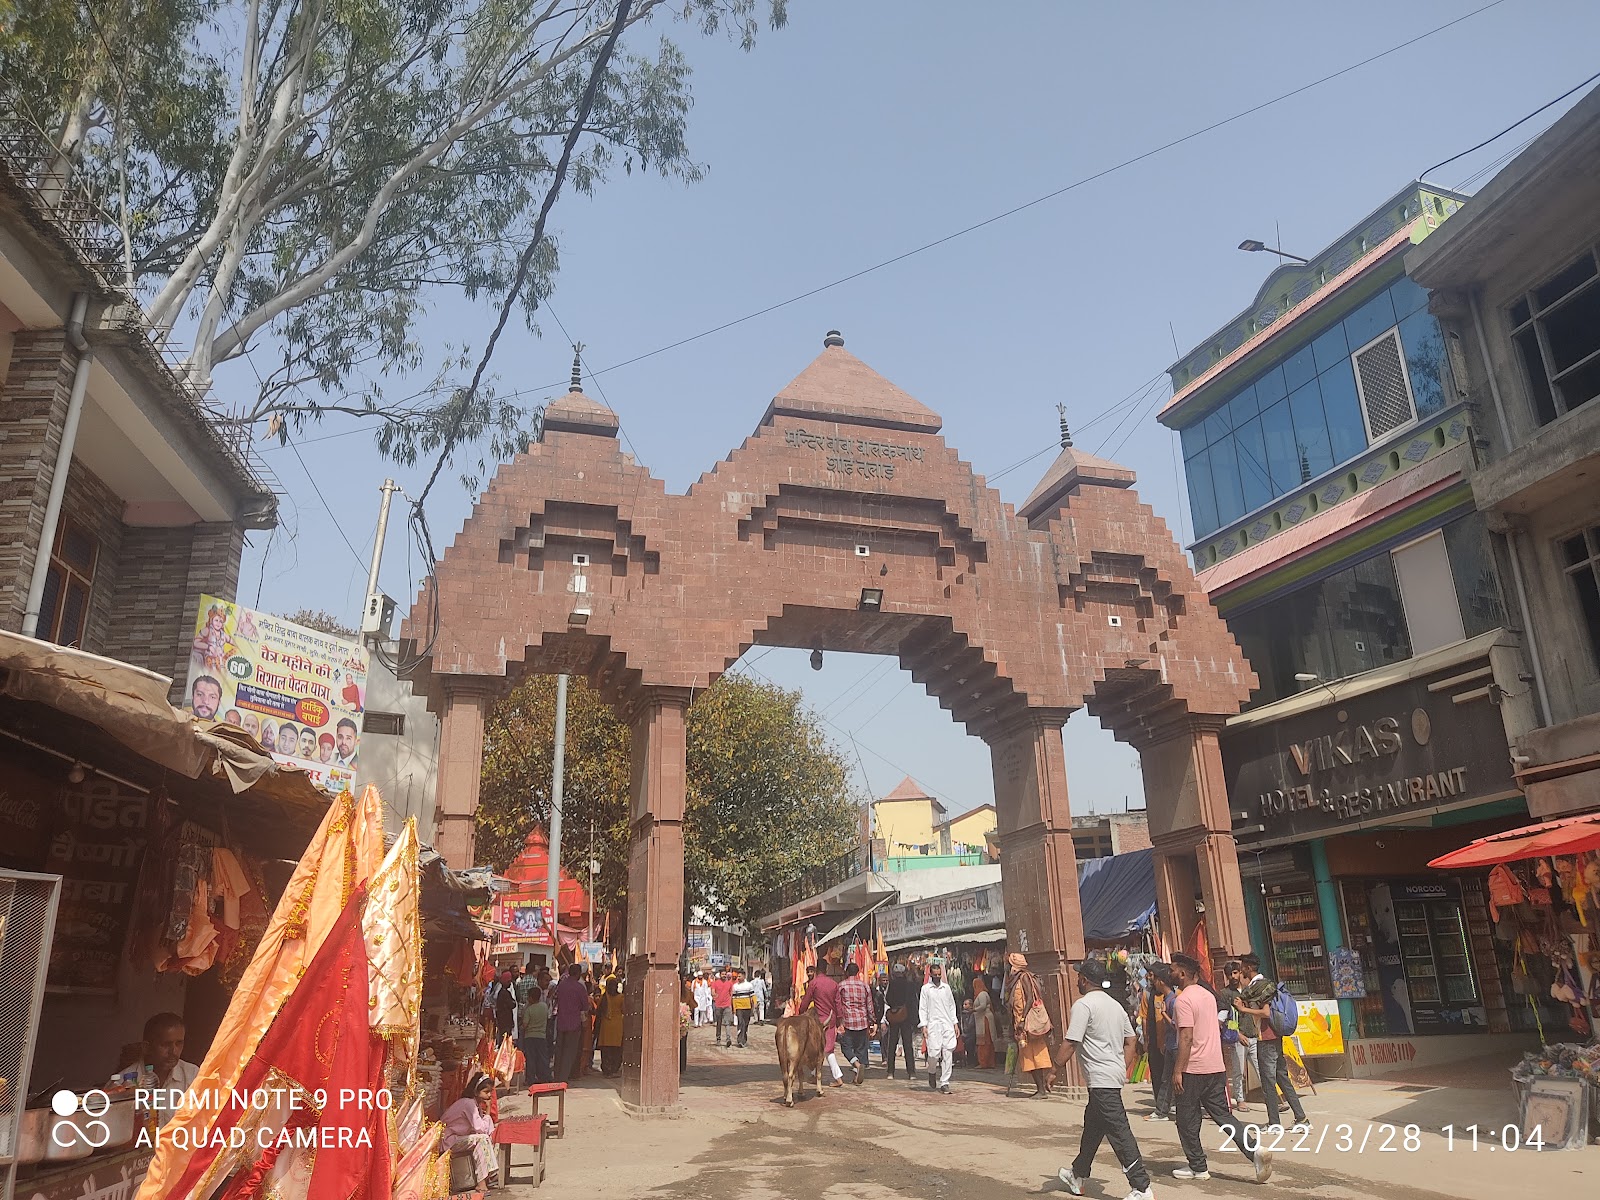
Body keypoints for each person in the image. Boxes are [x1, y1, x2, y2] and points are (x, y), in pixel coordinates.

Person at [1168, 953, 1272, 1185]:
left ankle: (1198, 1166)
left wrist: (1177, 1071)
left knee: (1186, 1120)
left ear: (1183, 973)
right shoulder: (1208, 996)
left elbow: (1186, 1037)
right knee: (1223, 1115)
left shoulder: (1183, 1001)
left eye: (1173, 969)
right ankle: (1254, 1150)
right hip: (1215, 1067)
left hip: (1193, 1069)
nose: (1171, 973)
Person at [1057, 960, 1153, 1200]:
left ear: (1085, 980)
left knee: (1120, 1134)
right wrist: (1121, 1067)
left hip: (1102, 1081)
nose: (1077, 980)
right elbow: (1131, 1041)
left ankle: (1141, 1187)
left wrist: (1053, 1069)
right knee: (1093, 1126)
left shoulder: (1083, 1005)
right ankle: (1077, 1174)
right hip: (1110, 1077)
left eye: (1079, 976)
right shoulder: (1116, 1005)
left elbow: (1071, 1041)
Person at [1235, 952, 1309, 1131]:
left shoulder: (1259, 987)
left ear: (1249, 968)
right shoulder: (1264, 984)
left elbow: (1266, 1013)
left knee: (1268, 1083)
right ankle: (1301, 1117)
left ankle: (1274, 1123)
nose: (1241, 969)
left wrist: (1242, 1008)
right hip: (1274, 1037)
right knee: (1282, 1079)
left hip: (1266, 1038)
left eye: (1243, 966)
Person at [121, 1013, 200, 1128]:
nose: (173, 1051)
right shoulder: (124, 1082)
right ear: (146, 1047)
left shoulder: (193, 1075)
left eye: (179, 1043)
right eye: (165, 1045)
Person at [441, 1073, 498, 1192]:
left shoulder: (474, 1104)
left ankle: (486, 1177)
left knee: (484, 1139)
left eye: (490, 1092)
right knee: (482, 1139)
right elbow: (480, 1128)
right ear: (476, 1091)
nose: (489, 1095)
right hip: (448, 1140)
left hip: (458, 1138)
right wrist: (488, 1111)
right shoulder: (469, 1104)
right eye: (486, 1092)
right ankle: (483, 1181)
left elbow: (486, 1130)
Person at [1008, 951, 1054, 1097]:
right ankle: (1039, 1089)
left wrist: (1022, 1020)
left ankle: (1041, 1090)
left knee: (1035, 1056)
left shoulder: (1024, 977)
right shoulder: (1016, 979)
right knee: (1029, 1056)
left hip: (1028, 1024)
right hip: (1021, 1024)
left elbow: (1029, 999)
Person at [796, 959, 846, 1087]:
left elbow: (805, 1002)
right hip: (831, 1018)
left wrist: (801, 1012)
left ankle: (838, 1077)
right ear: (827, 969)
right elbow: (838, 1004)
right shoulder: (834, 984)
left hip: (817, 1020)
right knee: (826, 1048)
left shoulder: (814, 983)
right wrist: (840, 1019)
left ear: (817, 969)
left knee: (822, 1049)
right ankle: (814, 1074)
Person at [919, 959, 959, 1093]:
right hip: (932, 1025)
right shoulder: (925, 989)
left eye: (939, 975)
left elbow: (952, 1006)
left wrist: (955, 1023)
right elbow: (923, 1008)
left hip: (947, 1024)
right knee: (933, 1053)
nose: (937, 977)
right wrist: (924, 1025)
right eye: (934, 975)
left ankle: (945, 1082)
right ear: (930, 975)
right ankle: (931, 1071)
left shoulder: (946, 988)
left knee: (948, 1052)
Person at [1217, 959, 1252, 1112]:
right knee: (1238, 1070)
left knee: (1261, 1067)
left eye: (1235, 973)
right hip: (1237, 1037)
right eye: (1229, 974)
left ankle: (1273, 1096)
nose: (1233, 977)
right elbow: (1226, 1018)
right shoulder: (1225, 994)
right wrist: (1237, 1034)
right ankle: (1240, 1099)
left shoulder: (1247, 990)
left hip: (1253, 1033)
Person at [836, 962, 877, 1084]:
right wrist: (872, 1021)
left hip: (848, 1022)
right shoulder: (864, 986)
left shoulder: (841, 985)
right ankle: (856, 1074)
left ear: (847, 972)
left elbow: (838, 1004)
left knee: (846, 1047)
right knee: (860, 1049)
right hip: (862, 1021)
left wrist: (838, 1020)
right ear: (858, 972)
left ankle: (857, 1065)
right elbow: (869, 1005)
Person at [1146, 966, 1178, 1120]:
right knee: (1165, 1079)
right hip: (1167, 1044)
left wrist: (1164, 1013)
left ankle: (1163, 1111)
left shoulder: (1173, 1000)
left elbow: (1176, 1025)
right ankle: (1163, 1110)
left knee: (1171, 1079)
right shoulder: (1153, 996)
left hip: (1174, 1045)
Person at [552, 963, 591, 1081]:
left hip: (561, 1022)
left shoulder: (561, 985)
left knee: (559, 1050)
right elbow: (585, 1006)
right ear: (578, 974)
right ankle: (563, 1077)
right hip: (574, 1023)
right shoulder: (580, 988)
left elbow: (554, 998)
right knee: (570, 1051)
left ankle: (557, 1075)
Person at [883, 961, 919, 1079]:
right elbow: (914, 1001)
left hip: (894, 1016)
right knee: (907, 1044)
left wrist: (894, 1006)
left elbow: (887, 999)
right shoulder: (910, 984)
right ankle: (911, 1072)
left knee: (892, 1044)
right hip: (906, 1016)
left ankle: (890, 1072)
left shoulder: (892, 984)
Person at [519, 984, 551, 1084]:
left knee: (531, 1058)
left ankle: (530, 1079)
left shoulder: (529, 1009)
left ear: (531, 998)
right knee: (542, 1057)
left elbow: (525, 1024)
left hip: (530, 1037)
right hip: (541, 1036)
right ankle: (545, 1076)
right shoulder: (544, 1006)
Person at [597, 976, 625, 1076]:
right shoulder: (621, 997)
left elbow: (599, 1011)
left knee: (606, 1050)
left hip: (606, 1027)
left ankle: (607, 1069)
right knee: (616, 1049)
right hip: (617, 1026)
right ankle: (613, 1068)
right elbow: (624, 1010)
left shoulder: (604, 997)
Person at [971, 974, 998, 1069]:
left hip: (984, 1020)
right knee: (986, 1042)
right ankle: (988, 1062)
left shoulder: (982, 994)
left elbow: (982, 1006)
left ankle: (984, 1062)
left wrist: (973, 1010)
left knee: (985, 1042)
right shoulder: (981, 994)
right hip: (982, 1019)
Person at [488, 968, 518, 1045]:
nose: (509, 983)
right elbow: (512, 1004)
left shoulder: (502, 991)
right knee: (505, 1040)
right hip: (505, 1020)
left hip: (502, 1019)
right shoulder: (504, 993)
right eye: (508, 981)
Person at [710, 968, 735, 1047]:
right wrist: (715, 995)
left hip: (727, 1005)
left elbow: (731, 993)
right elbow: (712, 991)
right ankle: (718, 1039)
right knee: (719, 1023)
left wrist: (731, 1003)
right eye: (722, 974)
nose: (724, 976)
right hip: (718, 1005)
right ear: (720, 975)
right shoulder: (715, 983)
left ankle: (728, 1039)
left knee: (727, 1023)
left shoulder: (729, 984)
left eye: (725, 974)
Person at [731, 969, 756, 1048]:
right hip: (739, 1008)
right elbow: (734, 998)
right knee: (740, 1023)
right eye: (737, 976)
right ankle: (740, 1040)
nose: (738, 977)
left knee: (745, 1024)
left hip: (747, 1007)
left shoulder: (749, 985)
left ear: (744, 976)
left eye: (740, 976)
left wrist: (754, 1003)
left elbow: (752, 995)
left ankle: (744, 1039)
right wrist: (734, 1008)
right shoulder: (735, 986)